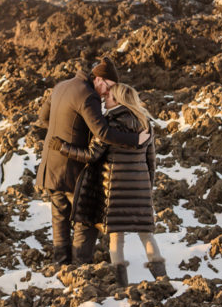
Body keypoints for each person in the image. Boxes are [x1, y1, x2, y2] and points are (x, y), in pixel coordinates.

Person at [35, 57, 150, 266]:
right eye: (109, 87)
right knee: (84, 220)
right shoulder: (88, 96)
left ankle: (61, 264)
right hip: (72, 168)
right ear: (99, 79)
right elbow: (103, 131)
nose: (108, 93)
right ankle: (81, 267)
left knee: (59, 216)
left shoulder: (61, 86)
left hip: (49, 165)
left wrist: (64, 130)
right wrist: (135, 140)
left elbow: (43, 119)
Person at [58, 82, 166, 286]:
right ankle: (162, 278)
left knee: (117, 239)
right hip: (140, 190)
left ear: (117, 100)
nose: (104, 99)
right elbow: (151, 161)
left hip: (115, 190)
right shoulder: (145, 123)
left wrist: (63, 148)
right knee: (147, 236)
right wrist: (147, 188)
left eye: (108, 97)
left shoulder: (110, 125)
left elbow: (91, 155)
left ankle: (122, 284)